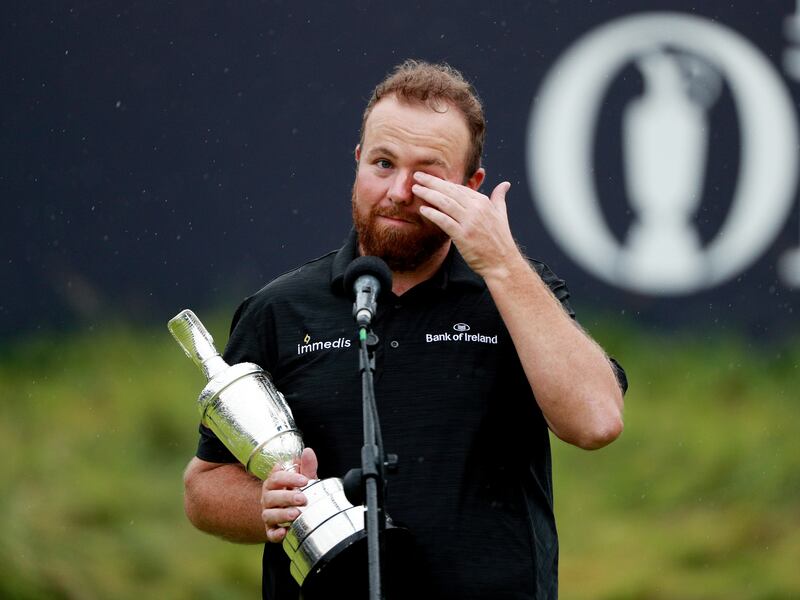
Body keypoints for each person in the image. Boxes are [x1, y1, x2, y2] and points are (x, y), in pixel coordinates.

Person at [183, 59, 626, 599]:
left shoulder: (516, 296)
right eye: (383, 163)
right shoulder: (281, 309)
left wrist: (503, 265)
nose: (398, 191)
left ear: (472, 185)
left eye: (428, 174)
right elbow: (202, 488)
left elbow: (596, 422)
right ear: (357, 162)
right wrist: (263, 504)